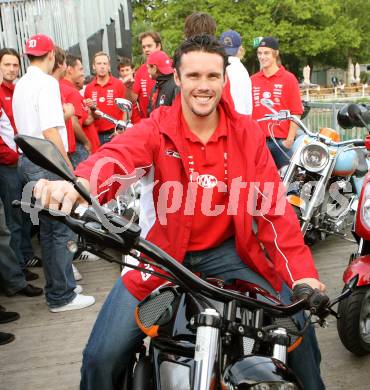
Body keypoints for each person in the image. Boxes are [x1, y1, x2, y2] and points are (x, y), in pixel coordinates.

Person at [33, 35, 325, 389]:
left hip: (232, 256)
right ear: (178, 79)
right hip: (162, 259)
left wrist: (303, 278)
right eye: (194, 76)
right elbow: (118, 157)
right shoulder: (158, 127)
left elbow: (274, 215)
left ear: (224, 80)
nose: (203, 86)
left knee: (298, 331)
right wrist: (80, 184)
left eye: (212, 76)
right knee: (102, 356)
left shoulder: (247, 134)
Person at [12, 33, 95, 312]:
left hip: (27, 160)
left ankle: (60, 287)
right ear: (51, 56)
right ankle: (62, 295)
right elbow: (50, 130)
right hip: (46, 162)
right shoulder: (47, 83)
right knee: (59, 230)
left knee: (48, 230)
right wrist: (68, 168)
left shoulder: (21, 84)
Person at [0, 49, 39, 276]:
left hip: (24, 159)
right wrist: (12, 157)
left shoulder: (19, 90)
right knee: (14, 220)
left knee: (26, 214)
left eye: (15, 65)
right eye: (7, 65)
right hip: (8, 164)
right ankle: (19, 271)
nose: (12, 69)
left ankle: (26, 257)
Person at [251, 37, 303, 170]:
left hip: (281, 142)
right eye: (259, 53)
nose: (262, 57)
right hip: (258, 143)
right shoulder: (252, 80)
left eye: (266, 53)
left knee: (288, 184)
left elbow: (296, 112)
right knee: (261, 186)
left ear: (276, 53)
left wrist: (289, 140)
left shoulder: (289, 78)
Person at [84, 52, 126, 145]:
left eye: (105, 63)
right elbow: (88, 114)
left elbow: (125, 110)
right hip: (96, 135)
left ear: (109, 66)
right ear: (94, 66)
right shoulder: (89, 88)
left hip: (114, 133)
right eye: (99, 64)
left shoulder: (118, 84)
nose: (102, 66)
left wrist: (121, 130)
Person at [124, 32, 161, 121]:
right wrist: (128, 88)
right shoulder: (141, 70)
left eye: (149, 46)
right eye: (144, 47)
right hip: (148, 124)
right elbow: (133, 99)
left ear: (158, 46)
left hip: (169, 124)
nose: (146, 49)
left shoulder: (171, 66)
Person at [220, 30, 252, 115]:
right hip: (240, 120)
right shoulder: (242, 70)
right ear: (239, 49)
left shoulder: (215, 67)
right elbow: (248, 106)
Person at [146, 50, 178, 116]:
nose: (148, 71)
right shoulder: (158, 85)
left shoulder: (176, 86)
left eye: (148, 67)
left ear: (154, 68)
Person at [117, 57, 141, 124]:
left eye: (127, 70)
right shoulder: (117, 83)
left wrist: (128, 86)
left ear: (133, 70)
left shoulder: (136, 82)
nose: (125, 73)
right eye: (122, 70)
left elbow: (133, 99)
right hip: (122, 119)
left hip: (136, 119)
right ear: (119, 72)